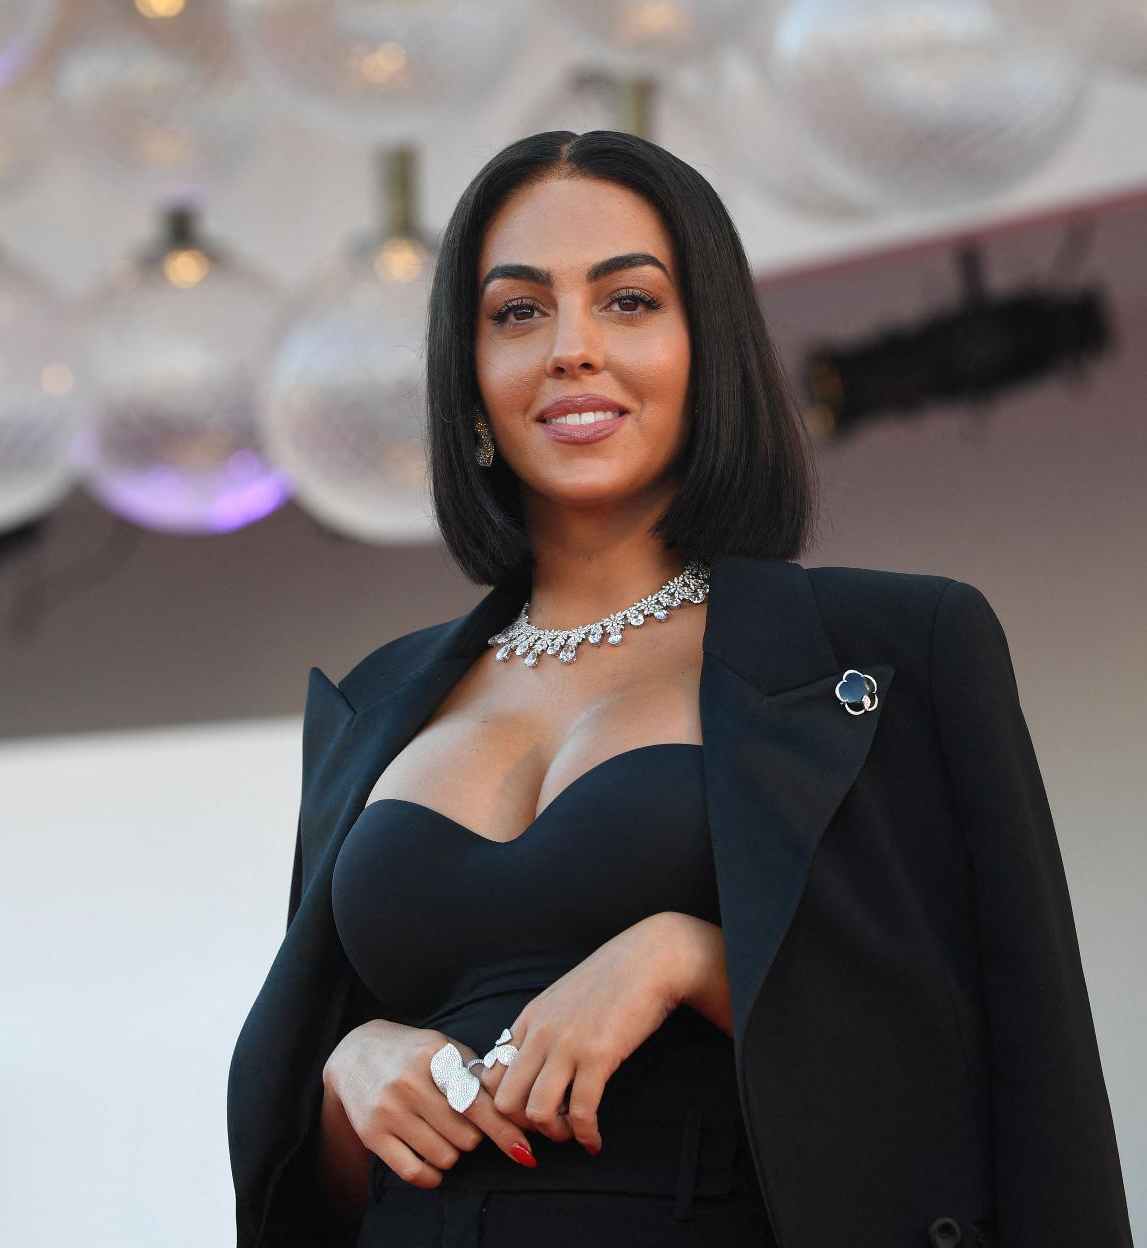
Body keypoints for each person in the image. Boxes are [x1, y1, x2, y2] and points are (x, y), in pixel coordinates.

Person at [227, 131, 1132, 1248]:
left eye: (629, 302)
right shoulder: (374, 705)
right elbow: (302, 1208)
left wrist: (695, 958)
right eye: (517, 313)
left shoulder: (901, 647)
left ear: (711, 349)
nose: (571, 350)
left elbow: (1014, 1078)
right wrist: (341, 1074)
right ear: (466, 379)